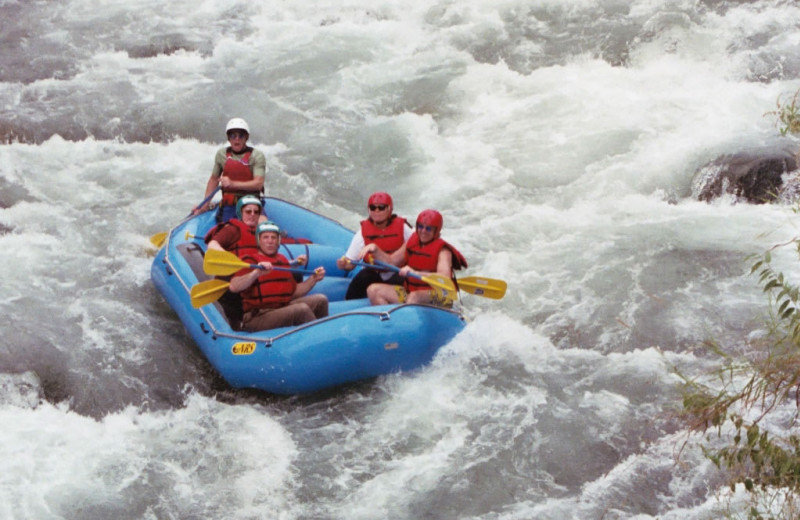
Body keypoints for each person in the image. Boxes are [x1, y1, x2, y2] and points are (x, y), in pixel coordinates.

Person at [230, 221, 328, 331]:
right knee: (301, 310)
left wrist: (313, 279)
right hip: (257, 317)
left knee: (321, 300)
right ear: (259, 241)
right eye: (265, 237)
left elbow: (294, 293)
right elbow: (234, 286)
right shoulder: (250, 260)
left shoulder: (282, 260)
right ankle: (321, 339)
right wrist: (255, 273)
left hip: (281, 308)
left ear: (278, 241)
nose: (270, 241)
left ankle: (325, 336)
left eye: (273, 238)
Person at [361, 209, 467, 306]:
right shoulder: (412, 242)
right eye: (420, 226)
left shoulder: (443, 251)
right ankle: (389, 323)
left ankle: (405, 320)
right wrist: (375, 250)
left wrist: (416, 273)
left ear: (436, 231)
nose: (423, 231)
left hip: (438, 295)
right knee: (373, 290)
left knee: (414, 297)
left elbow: (444, 277)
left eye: (428, 228)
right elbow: (392, 261)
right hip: (411, 290)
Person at [335, 192, 413, 299]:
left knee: (407, 279)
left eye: (381, 207)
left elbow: (417, 247)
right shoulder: (362, 233)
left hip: (397, 272)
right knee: (362, 278)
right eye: (373, 207)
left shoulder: (403, 228)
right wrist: (343, 265)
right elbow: (350, 264)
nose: (376, 211)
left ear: (389, 209)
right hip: (374, 273)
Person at [194, 118, 267, 223]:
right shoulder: (221, 154)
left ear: (246, 137)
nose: (237, 139)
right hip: (229, 205)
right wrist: (204, 205)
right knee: (228, 232)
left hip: (252, 203)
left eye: (241, 135)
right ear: (229, 138)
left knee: (263, 222)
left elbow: (258, 183)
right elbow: (214, 180)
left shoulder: (257, 156)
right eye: (233, 136)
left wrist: (232, 184)